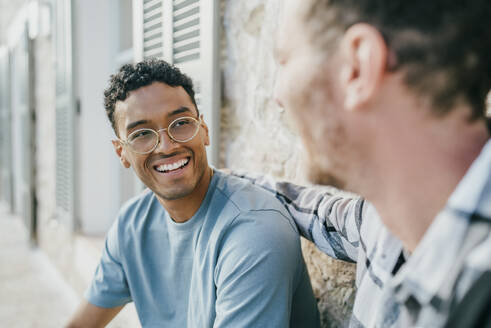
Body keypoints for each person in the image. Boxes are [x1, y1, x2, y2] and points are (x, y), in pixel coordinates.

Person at [232, 0, 491, 327]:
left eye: (285, 60)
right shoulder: (384, 221)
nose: (278, 97)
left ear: (357, 67)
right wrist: (229, 180)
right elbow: (322, 214)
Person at [66, 59, 320, 328]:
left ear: (204, 131)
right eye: (142, 133)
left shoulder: (255, 230)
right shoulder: (132, 224)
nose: (166, 146)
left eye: (180, 123)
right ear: (122, 152)